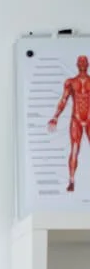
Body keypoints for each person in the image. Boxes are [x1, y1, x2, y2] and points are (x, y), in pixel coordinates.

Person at [48, 54, 90, 192]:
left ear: (88, 64)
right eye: (80, 62)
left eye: (85, 61)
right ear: (77, 65)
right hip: (76, 119)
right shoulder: (70, 82)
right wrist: (55, 117)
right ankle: (71, 181)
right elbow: (64, 100)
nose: (83, 64)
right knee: (74, 150)